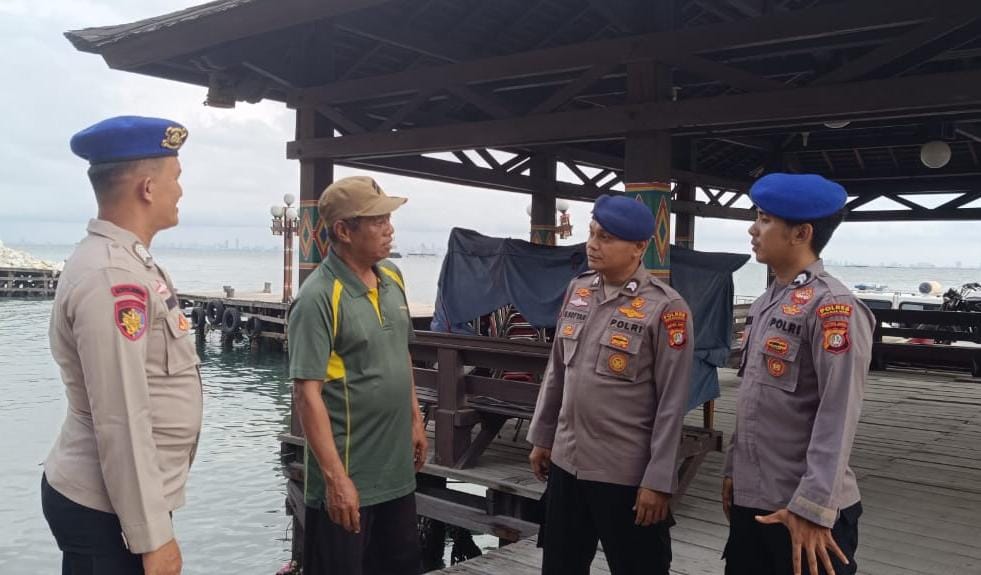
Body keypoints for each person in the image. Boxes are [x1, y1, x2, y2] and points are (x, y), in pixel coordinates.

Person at [42, 116, 201, 575]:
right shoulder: (112, 276)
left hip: (120, 505)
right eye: (176, 178)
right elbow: (121, 416)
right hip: (107, 510)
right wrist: (153, 537)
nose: (181, 191)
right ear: (147, 188)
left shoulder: (132, 263)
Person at [527, 194, 694, 575]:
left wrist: (658, 480)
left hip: (626, 474)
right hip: (567, 462)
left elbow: (672, 402)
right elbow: (557, 371)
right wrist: (543, 437)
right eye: (591, 233)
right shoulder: (579, 290)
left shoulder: (666, 308)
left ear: (639, 247)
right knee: (560, 566)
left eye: (605, 237)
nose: (592, 244)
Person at [721, 173, 874, 575]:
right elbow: (755, 400)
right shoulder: (768, 301)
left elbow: (838, 414)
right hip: (755, 499)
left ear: (802, 233)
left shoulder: (834, 307)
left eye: (765, 219)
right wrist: (734, 470)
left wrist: (812, 507)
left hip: (803, 510)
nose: (753, 229)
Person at [288, 175, 427, 575]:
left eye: (388, 219)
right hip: (349, 477)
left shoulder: (392, 277)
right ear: (344, 231)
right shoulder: (318, 297)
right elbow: (307, 395)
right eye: (377, 221)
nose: (389, 229)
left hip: (396, 472)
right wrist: (336, 480)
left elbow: (400, 354)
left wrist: (416, 419)